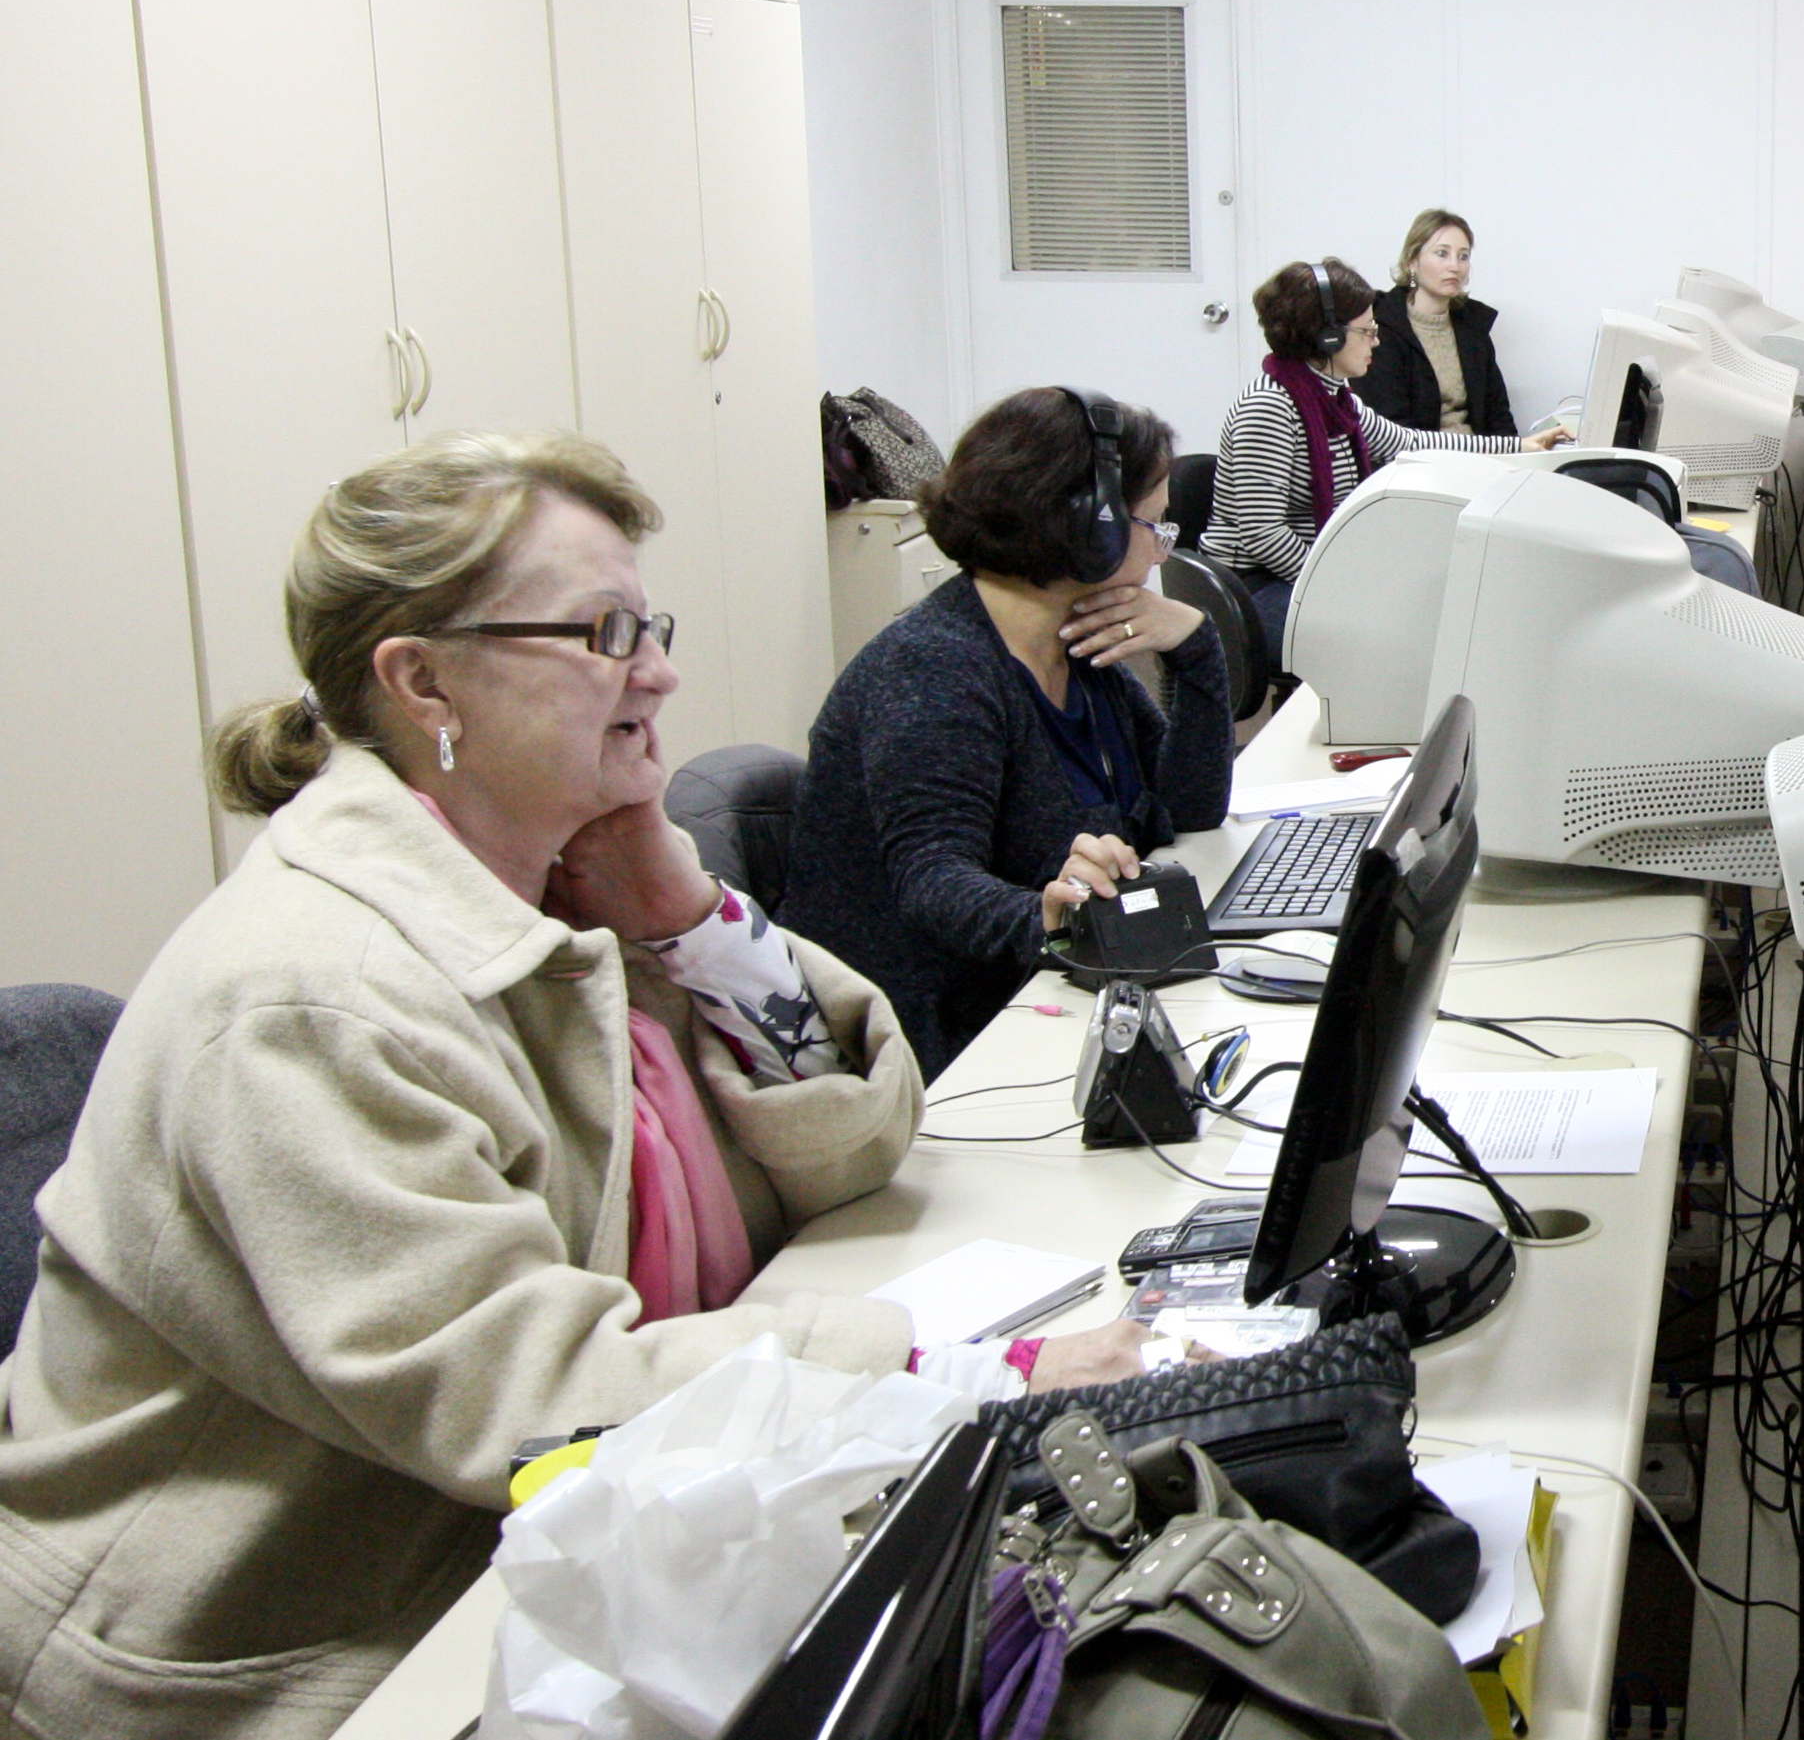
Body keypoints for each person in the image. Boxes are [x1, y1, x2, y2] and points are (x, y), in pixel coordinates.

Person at [0, 434, 1150, 1740]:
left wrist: (692, 921)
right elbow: (533, 1401)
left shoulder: (564, 878)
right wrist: (959, 1371)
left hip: (517, 1557)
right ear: (422, 680)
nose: (657, 669)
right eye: (604, 632)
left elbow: (854, 1148)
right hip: (274, 1654)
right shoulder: (312, 1000)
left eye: (647, 625)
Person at [781, 388, 1232, 1073]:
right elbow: (931, 880)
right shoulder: (934, 668)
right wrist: (1052, 915)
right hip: (936, 1039)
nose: (1159, 556)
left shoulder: (1076, 642)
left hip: (1035, 995)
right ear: (1088, 526)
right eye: (1154, 527)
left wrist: (1194, 647)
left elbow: (1188, 807)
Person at [1209, 257, 1566, 648]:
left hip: (1305, 569)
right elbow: (1263, 535)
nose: (1376, 341)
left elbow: (1411, 442)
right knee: (1392, 638)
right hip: (1255, 587)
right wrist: (1342, 584)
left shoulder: (1337, 400)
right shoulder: (1270, 408)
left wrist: (1519, 447)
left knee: (1431, 609)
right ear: (1328, 337)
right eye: (1367, 331)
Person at [1359, 209, 1517, 438]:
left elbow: (1498, 415)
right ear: (1412, 262)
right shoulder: (1381, 329)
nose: (1455, 266)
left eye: (1463, 256)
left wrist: (1516, 453)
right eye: (1442, 254)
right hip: (1418, 456)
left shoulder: (1473, 326)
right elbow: (1392, 431)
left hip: (1482, 454)